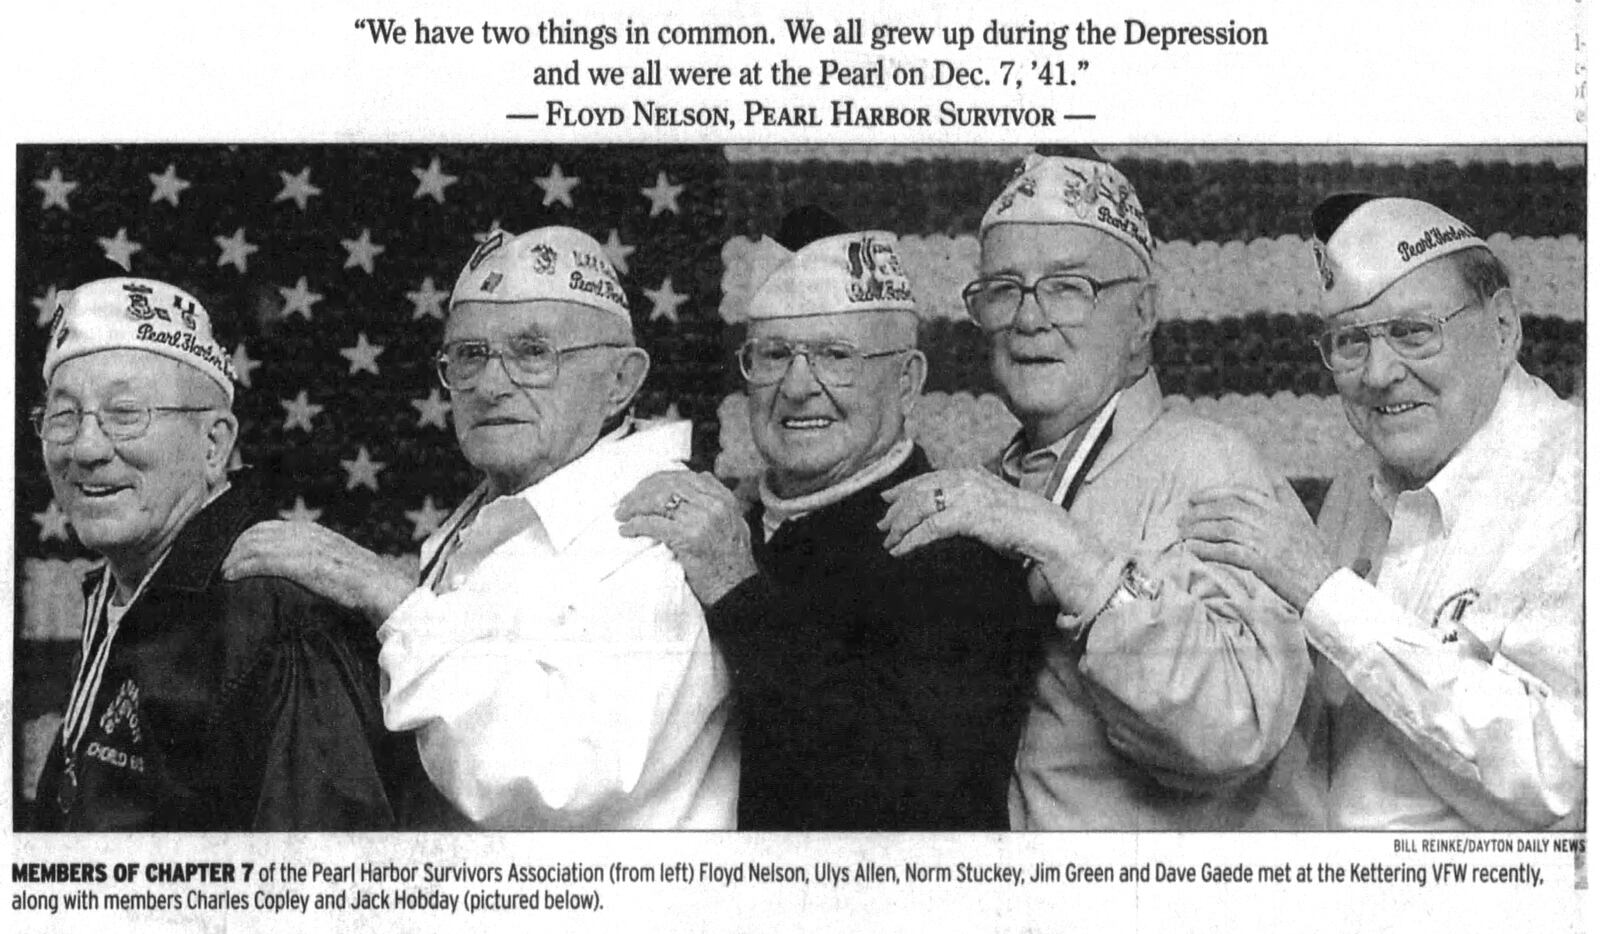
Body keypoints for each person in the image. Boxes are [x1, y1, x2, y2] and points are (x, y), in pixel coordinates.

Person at [223, 227, 738, 829]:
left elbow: (556, 779)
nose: (491, 385)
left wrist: (388, 596)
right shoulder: (499, 513)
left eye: (533, 353)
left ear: (621, 380)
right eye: (469, 355)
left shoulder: (656, 534)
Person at [877, 152, 1317, 830]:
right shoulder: (994, 487)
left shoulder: (1206, 464)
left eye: (1067, 287)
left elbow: (1238, 723)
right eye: (1004, 289)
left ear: (1141, 314)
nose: (1029, 319)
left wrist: (1066, 553)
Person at [616, 209, 1041, 830]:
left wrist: (738, 593)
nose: (796, 386)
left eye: (835, 355)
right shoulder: (726, 523)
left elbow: (903, 800)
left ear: (906, 381)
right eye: (773, 354)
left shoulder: (956, 553)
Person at [1180, 194, 1583, 830]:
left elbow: (1566, 778)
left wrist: (1326, 595)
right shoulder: (1355, 486)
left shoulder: (1577, 482)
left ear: (1504, 327)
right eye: (1350, 342)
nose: (1380, 373)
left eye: (1413, 332)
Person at [30, 277, 411, 831]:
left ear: (214, 445)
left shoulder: (271, 619)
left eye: (126, 412)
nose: (86, 449)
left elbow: (313, 894)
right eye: (64, 417)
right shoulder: (124, 587)